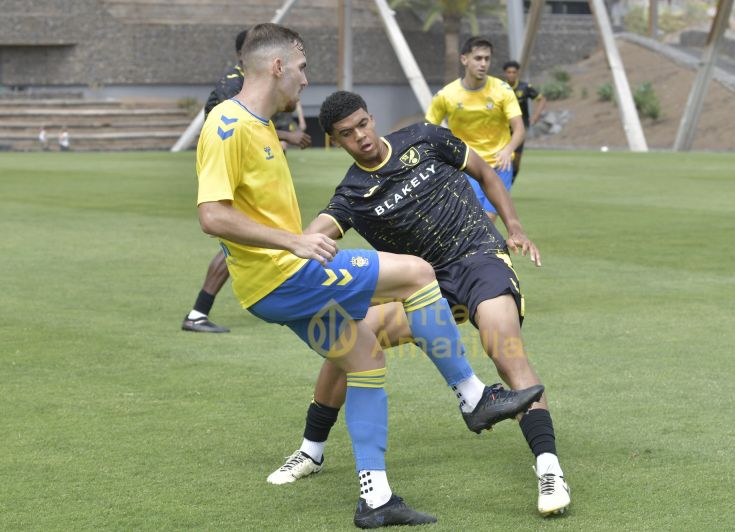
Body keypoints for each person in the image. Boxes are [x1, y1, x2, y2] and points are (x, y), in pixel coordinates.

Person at [196, 23, 540, 529]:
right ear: (277, 66)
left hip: (272, 284)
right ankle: (473, 396)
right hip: (282, 277)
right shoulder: (228, 125)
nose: (306, 79)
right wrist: (295, 242)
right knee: (418, 274)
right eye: (303, 66)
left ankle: (374, 499)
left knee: (364, 356)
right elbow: (212, 215)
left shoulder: (261, 125)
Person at [267, 91, 571, 518]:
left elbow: (484, 171)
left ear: (371, 118)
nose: (361, 137)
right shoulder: (352, 194)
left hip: (479, 257)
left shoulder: (424, 138)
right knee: (353, 337)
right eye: (347, 134)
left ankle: (549, 468)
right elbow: (315, 231)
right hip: (426, 286)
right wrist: (284, 245)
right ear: (336, 142)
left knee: (502, 346)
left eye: (363, 125)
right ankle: (311, 450)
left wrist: (515, 225)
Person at [183, 29, 311, 333]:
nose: (304, 79)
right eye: (301, 68)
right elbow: (242, 120)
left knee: (352, 350)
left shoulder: (251, 81)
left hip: (244, 155)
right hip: (229, 160)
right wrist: (289, 135)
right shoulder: (235, 87)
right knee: (238, 240)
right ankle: (198, 312)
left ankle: (198, 312)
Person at [425, 36, 525, 222]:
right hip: (467, 165)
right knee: (473, 221)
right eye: (478, 58)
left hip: (499, 165)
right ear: (464, 59)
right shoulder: (446, 95)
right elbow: (428, 129)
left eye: (487, 59)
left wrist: (508, 150)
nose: (483, 63)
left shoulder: (502, 90)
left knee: (487, 219)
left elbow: (519, 128)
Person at [502, 60, 546, 182]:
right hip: (502, 129)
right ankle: (503, 186)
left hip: (519, 129)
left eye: (514, 72)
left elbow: (541, 100)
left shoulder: (525, 87)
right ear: (505, 73)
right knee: (502, 157)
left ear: (517, 73)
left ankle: (510, 181)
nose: (511, 75)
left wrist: (536, 115)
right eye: (509, 72)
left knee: (516, 161)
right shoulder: (499, 88)